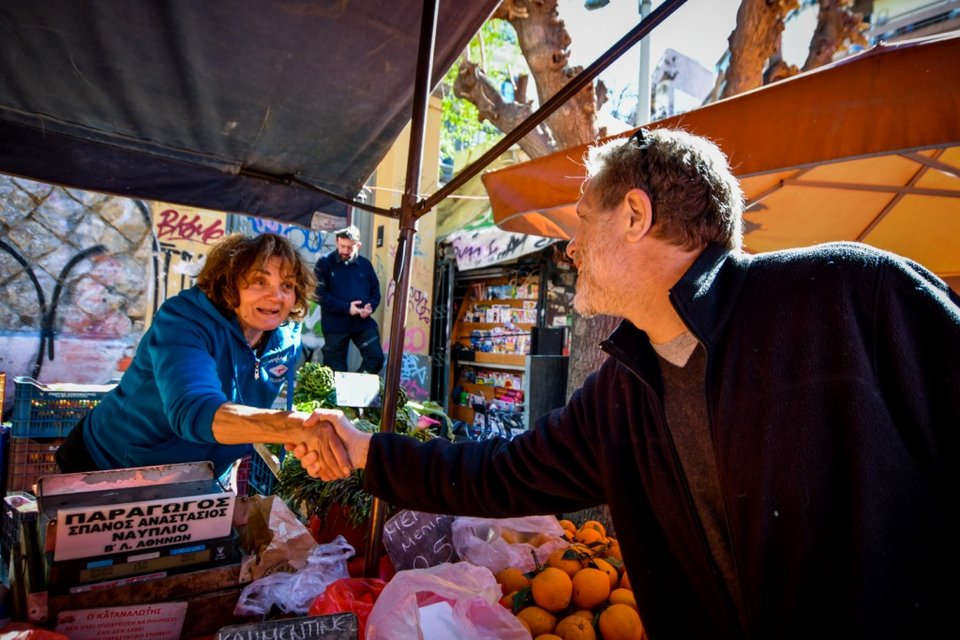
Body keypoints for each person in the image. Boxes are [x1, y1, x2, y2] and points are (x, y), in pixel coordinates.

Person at [293, 127, 960, 639]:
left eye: (583, 219)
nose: (570, 247)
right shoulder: (622, 390)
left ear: (635, 215)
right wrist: (366, 453)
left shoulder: (847, 291)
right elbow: (500, 474)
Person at [55, 232, 346, 479]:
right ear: (229, 284)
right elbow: (194, 411)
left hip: (194, 478)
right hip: (107, 467)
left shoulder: (285, 339)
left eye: (287, 285)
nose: (277, 297)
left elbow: (245, 415)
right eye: (259, 282)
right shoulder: (182, 321)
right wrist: (294, 427)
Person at [314, 225, 385, 374]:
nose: (345, 251)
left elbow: (375, 293)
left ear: (358, 245)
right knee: (335, 372)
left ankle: (356, 389)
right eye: (342, 246)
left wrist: (370, 306)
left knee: (376, 358)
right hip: (335, 325)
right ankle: (341, 395)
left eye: (350, 248)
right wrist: (347, 308)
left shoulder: (365, 265)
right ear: (336, 242)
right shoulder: (324, 263)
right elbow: (318, 294)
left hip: (362, 323)